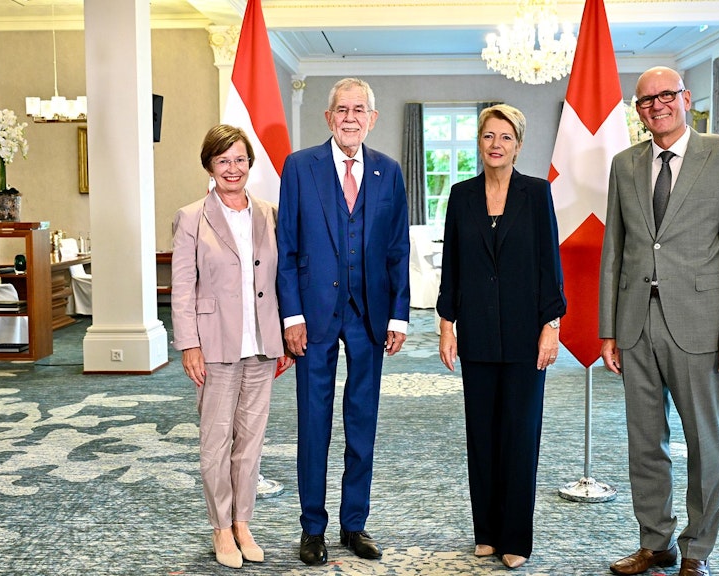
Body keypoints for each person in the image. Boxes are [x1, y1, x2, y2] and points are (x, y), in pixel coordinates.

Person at [598, 66, 719, 576]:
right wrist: (608, 330)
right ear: (638, 111)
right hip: (636, 323)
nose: (656, 106)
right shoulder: (625, 163)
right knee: (645, 442)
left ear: (685, 98)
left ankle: (696, 551)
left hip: (701, 326)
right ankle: (655, 542)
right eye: (645, 101)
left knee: (703, 443)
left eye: (666, 96)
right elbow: (614, 253)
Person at [277, 77, 410, 566]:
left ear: (371, 119)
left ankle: (355, 523)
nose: (350, 117)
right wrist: (291, 314)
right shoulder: (299, 167)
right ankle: (312, 527)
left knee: (362, 422)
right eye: (341, 109)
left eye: (360, 109)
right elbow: (286, 249)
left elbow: (398, 250)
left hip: (370, 318)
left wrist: (399, 314)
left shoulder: (388, 172)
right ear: (328, 117)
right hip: (311, 318)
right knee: (314, 423)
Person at [436, 104, 566, 570]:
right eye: (488, 135)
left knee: (519, 436)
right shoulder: (461, 195)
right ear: (479, 142)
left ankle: (516, 538)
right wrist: (446, 324)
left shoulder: (535, 194)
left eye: (505, 137)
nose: (496, 144)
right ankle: (486, 532)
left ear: (519, 144)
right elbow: (452, 264)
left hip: (524, 336)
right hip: (476, 336)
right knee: (482, 436)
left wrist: (551, 327)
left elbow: (550, 264)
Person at [171, 124, 293, 569]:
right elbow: (182, 288)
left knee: (251, 443)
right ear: (209, 166)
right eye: (223, 160)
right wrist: (188, 344)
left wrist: (282, 337)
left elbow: (281, 280)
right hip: (215, 345)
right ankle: (220, 527)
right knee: (216, 442)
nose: (232, 168)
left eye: (240, 159)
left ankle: (243, 522)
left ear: (249, 164)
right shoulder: (190, 218)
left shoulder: (269, 213)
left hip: (261, 344)